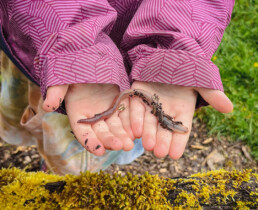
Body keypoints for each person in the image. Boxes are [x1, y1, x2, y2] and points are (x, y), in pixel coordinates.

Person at [0, 0, 234, 175]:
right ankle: (52, 158)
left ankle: (60, 164)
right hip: (40, 52)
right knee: (52, 115)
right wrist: (75, 49)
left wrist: (174, 50)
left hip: (127, 67)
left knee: (94, 132)